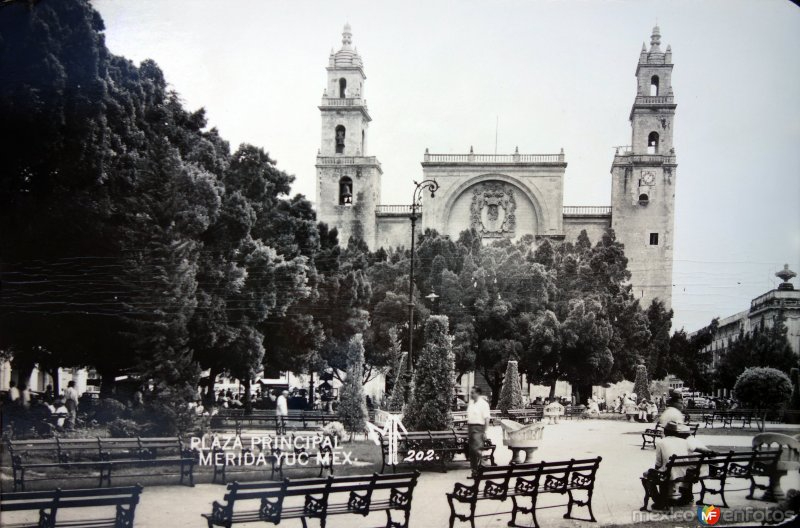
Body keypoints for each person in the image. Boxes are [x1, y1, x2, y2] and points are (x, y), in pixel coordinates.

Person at [466, 386, 491, 478]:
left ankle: (483, 463)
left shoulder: (483, 404)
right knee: (471, 451)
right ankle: (474, 471)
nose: (471, 394)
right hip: (470, 427)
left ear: (478, 393)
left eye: (473, 392)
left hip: (479, 428)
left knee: (475, 448)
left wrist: (485, 431)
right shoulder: (471, 403)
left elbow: (487, 418)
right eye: (471, 392)